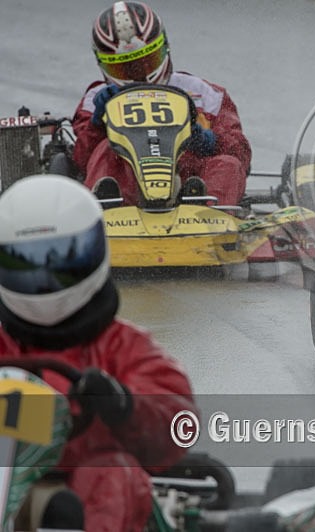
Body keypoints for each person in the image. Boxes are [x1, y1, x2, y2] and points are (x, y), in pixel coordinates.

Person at [0, 175, 197, 530]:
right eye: (26, 262)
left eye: (62, 260)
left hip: (89, 491)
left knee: (109, 474)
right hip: (11, 490)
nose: (47, 278)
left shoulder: (122, 346)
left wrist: (125, 405)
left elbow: (178, 423)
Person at [72, 1, 252, 206]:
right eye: (125, 68)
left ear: (164, 48)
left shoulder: (207, 95)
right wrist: (98, 125)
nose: (140, 75)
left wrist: (206, 140)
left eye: (147, 61)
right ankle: (107, 211)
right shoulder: (95, 100)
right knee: (105, 149)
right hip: (127, 197)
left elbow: (242, 154)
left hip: (189, 182)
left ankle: (210, 215)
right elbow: (81, 161)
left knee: (228, 164)